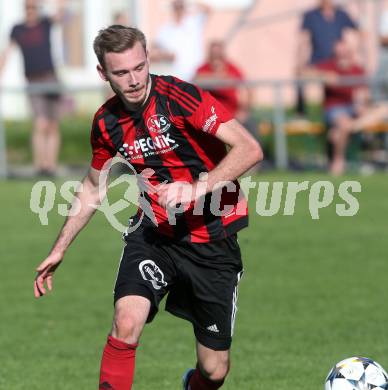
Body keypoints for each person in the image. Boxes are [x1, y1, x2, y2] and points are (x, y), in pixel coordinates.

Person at [34, 25, 263, 390]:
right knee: (126, 321)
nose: (134, 80)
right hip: (154, 235)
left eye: (139, 67)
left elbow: (249, 148)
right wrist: (59, 248)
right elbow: (94, 187)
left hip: (213, 240)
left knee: (214, 369)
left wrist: (196, 188)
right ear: (102, 73)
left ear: (148, 60)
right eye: (121, 72)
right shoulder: (107, 122)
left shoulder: (180, 97)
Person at [0, 0, 67, 176]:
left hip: (50, 77)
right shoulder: (18, 29)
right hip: (33, 80)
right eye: (27, 7)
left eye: (33, 7)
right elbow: (7, 53)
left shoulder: (45, 23)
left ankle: (50, 166)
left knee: (52, 124)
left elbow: (62, 12)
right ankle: (40, 166)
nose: (30, 10)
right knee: (40, 123)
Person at [303, 39, 368, 175]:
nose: (343, 57)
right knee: (344, 124)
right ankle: (338, 160)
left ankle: (336, 135)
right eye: (340, 54)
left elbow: (363, 93)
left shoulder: (357, 69)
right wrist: (322, 76)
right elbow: (302, 72)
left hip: (353, 108)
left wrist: (361, 104)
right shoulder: (329, 67)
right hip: (334, 109)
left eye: (346, 53)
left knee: (379, 112)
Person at [296, 0, 360, 116]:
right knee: (301, 74)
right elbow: (303, 40)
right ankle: (301, 113)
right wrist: (301, 62)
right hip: (318, 60)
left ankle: (343, 110)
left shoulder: (341, 14)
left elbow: (359, 31)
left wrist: (351, 53)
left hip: (336, 61)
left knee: (340, 85)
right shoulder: (310, 15)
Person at [194, 40, 253, 125]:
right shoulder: (203, 68)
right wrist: (217, 76)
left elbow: (248, 88)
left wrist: (244, 110)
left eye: (218, 54)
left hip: (232, 115)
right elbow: (196, 80)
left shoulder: (232, 68)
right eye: (213, 54)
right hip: (209, 117)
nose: (216, 57)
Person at [151, 0, 210, 82]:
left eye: (180, 7)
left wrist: (188, 3)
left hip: (196, 74)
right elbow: (155, 50)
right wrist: (165, 55)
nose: (178, 10)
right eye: (176, 7)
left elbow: (207, 9)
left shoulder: (194, 22)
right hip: (175, 74)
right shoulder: (165, 29)